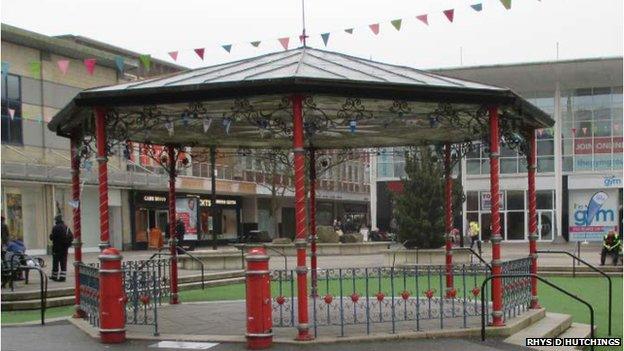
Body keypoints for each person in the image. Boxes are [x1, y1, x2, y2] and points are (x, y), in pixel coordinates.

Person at [49, 215, 72, 282]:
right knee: (63, 263)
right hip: (64, 249)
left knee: (55, 262)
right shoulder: (66, 227)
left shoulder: (55, 228)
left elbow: (52, 237)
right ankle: (63, 277)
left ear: (56, 220)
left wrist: (51, 236)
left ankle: (54, 276)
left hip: (56, 248)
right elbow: (71, 237)